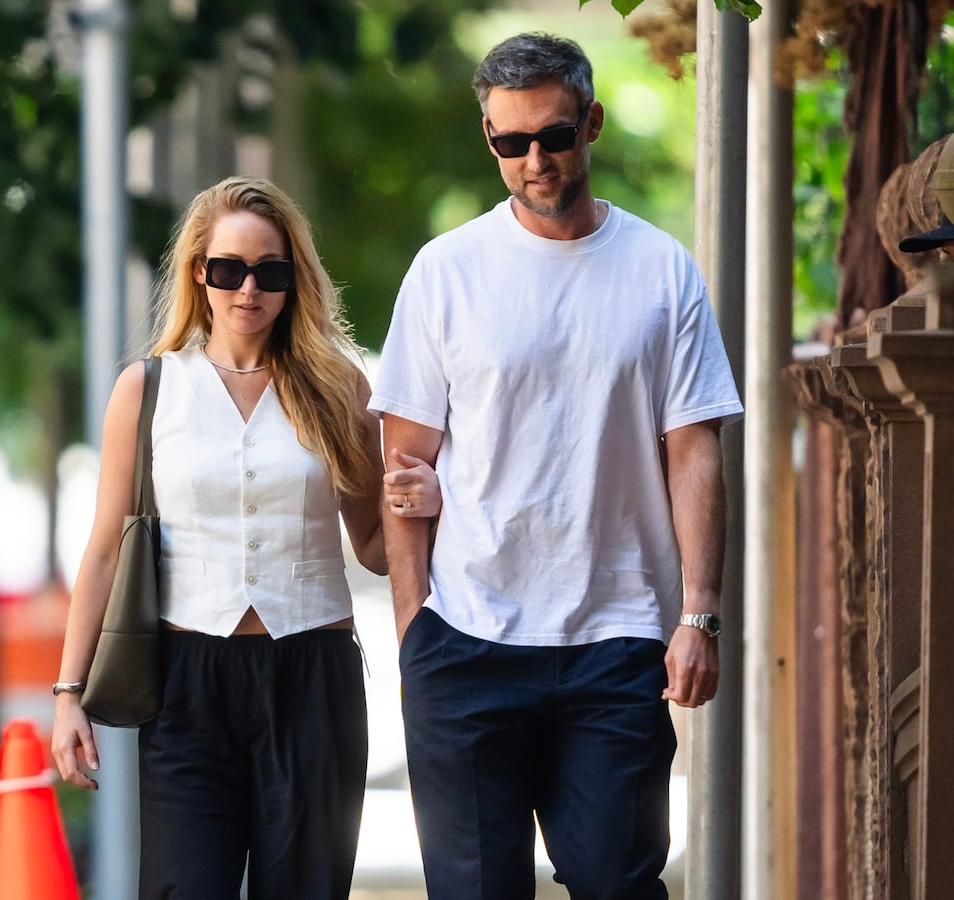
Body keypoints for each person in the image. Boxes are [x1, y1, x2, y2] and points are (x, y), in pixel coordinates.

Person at [371, 33, 744, 899]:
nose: (535, 160)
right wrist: (413, 631)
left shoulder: (661, 272)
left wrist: (703, 616)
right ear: (490, 140)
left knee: (616, 884)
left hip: (614, 643)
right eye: (511, 142)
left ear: (593, 124)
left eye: (555, 135)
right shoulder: (445, 274)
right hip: (464, 644)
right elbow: (404, 464)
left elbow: (693, 452)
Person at [51, 175, 439, 899]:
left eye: (271, 271)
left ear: (296, 280)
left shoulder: (340, 388)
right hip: (187, 681)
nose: (248, 289)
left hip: (312, 676)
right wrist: (69, 692)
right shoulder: (149, 388)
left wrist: (422, 506)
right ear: (200, 272)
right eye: (229, 270)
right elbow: (105, 548)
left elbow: (376, 549)